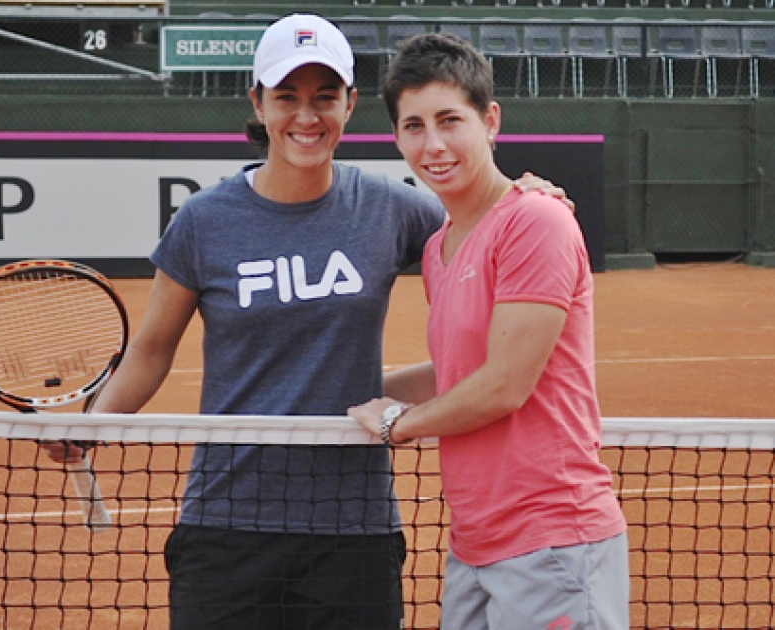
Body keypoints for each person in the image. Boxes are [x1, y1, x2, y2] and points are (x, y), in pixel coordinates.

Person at [44, 15, 571, 630]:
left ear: (349, 104)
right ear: (258, 104)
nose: (306, 116)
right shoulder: (204, 221)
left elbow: (489, 236)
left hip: (353, 525)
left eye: (325, 97)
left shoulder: (394, 209)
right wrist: (95, 427)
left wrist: (524, 196)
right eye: (286, 97)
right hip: (227, 518)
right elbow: (153, 350)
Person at [348, 33, 629, 630]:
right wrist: (357, 392)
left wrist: (397, 423)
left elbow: (503, 385)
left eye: (451, 120)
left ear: (490, 119)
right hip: (474, 545)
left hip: (553, 542)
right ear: (396, 138)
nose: (435, 144)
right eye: (414, 127)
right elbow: (457, 372)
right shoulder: (438, 247)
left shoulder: (535, 221)